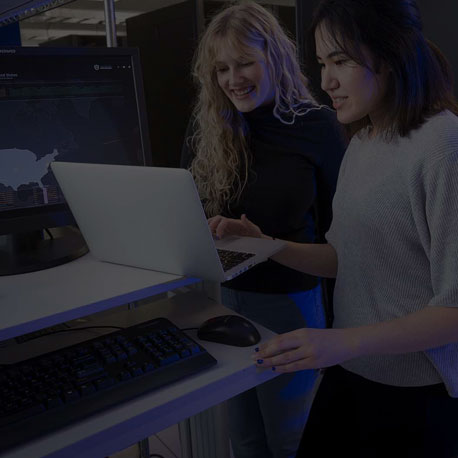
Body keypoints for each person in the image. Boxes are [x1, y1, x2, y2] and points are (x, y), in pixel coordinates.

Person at [221, 0, 458, 456]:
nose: (326, 81)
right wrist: (265, 245)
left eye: (341, 62)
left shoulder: (443, 147)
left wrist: (340, 342)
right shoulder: (364, 140)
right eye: (323, 63)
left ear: (390, 59)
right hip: (353, 371)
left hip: (416, 397)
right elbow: (342, 258)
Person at [180, 2, 346, 457]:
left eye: (246, 62)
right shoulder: (212, 129)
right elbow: (182, 211)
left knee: (291, 438)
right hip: (224, 301)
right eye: (221, 69)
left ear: (274, 58)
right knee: (247, 438)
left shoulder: (317, 126)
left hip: (291, 302)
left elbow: (341, 235)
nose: (233, 79)